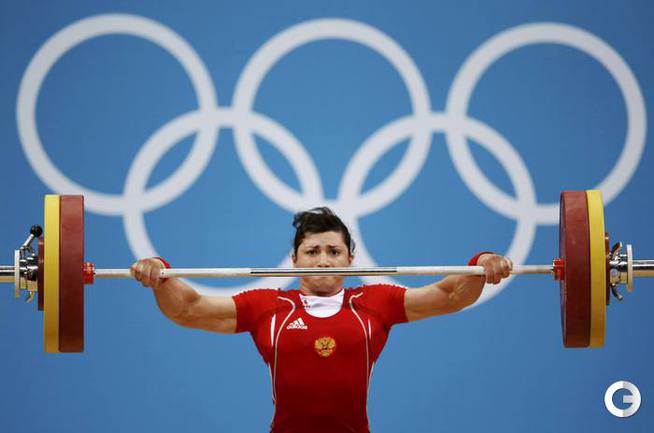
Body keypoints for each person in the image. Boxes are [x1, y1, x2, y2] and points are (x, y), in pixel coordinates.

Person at [131, 207, 512, 433]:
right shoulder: (266, 306)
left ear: (350, 259)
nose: (324, 260)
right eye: (312, 252)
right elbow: (187, 309)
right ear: (294, 260)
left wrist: (480, 264)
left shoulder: (376, 302)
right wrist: (159, 273)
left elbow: (450, 295)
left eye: (333, 251)